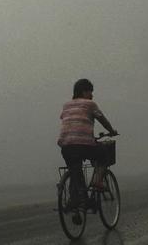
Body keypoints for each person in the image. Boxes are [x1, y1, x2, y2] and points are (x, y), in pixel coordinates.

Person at [57, 78, 118, 208]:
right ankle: (98, 181)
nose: (92, 95)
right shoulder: (90, 104)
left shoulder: (66, 105)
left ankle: (77, 201)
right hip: (83, 144)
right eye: (90, 92)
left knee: (75, 170)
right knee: (103, 153)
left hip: (66, 146)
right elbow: (103, 120)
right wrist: (111, 131)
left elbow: (65, 118)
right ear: (84, 92)